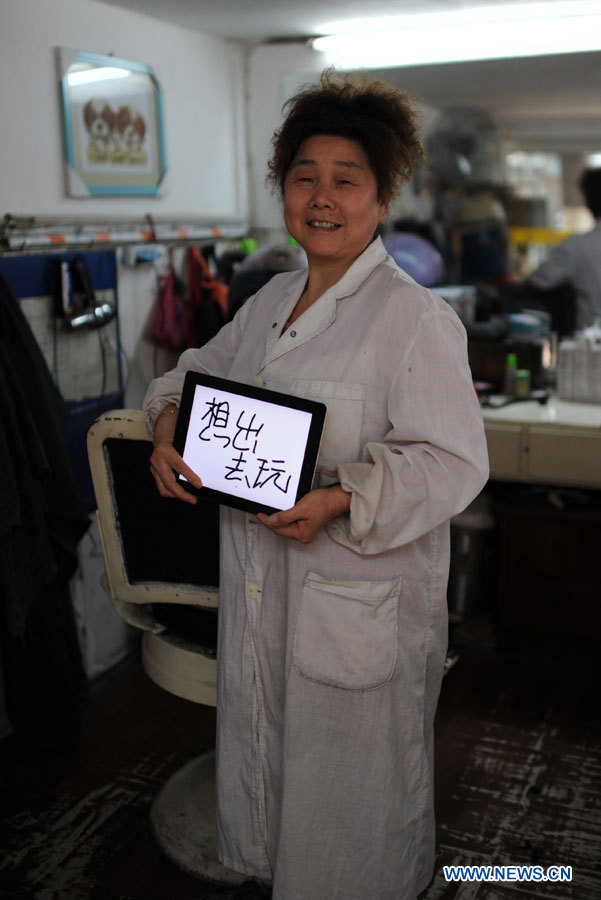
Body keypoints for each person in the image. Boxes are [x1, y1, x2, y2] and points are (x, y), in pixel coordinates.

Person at [143, 69, 489, 900]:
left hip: (354, 598)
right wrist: (164, 425)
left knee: (355, 819)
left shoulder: (414, 319)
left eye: (346, 180)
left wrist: (342, 499)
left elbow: (452, 462)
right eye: (304, 178)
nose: (322, 197)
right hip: (262, 588)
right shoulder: (267, 301)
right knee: (270, 791)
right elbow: (191, 375)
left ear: (381, 197)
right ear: (284, 192)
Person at [529, 167, 601, 330]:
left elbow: (540, 279)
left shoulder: (576, 247)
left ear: (587, 201)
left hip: (590, 345)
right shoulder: (577, 246)